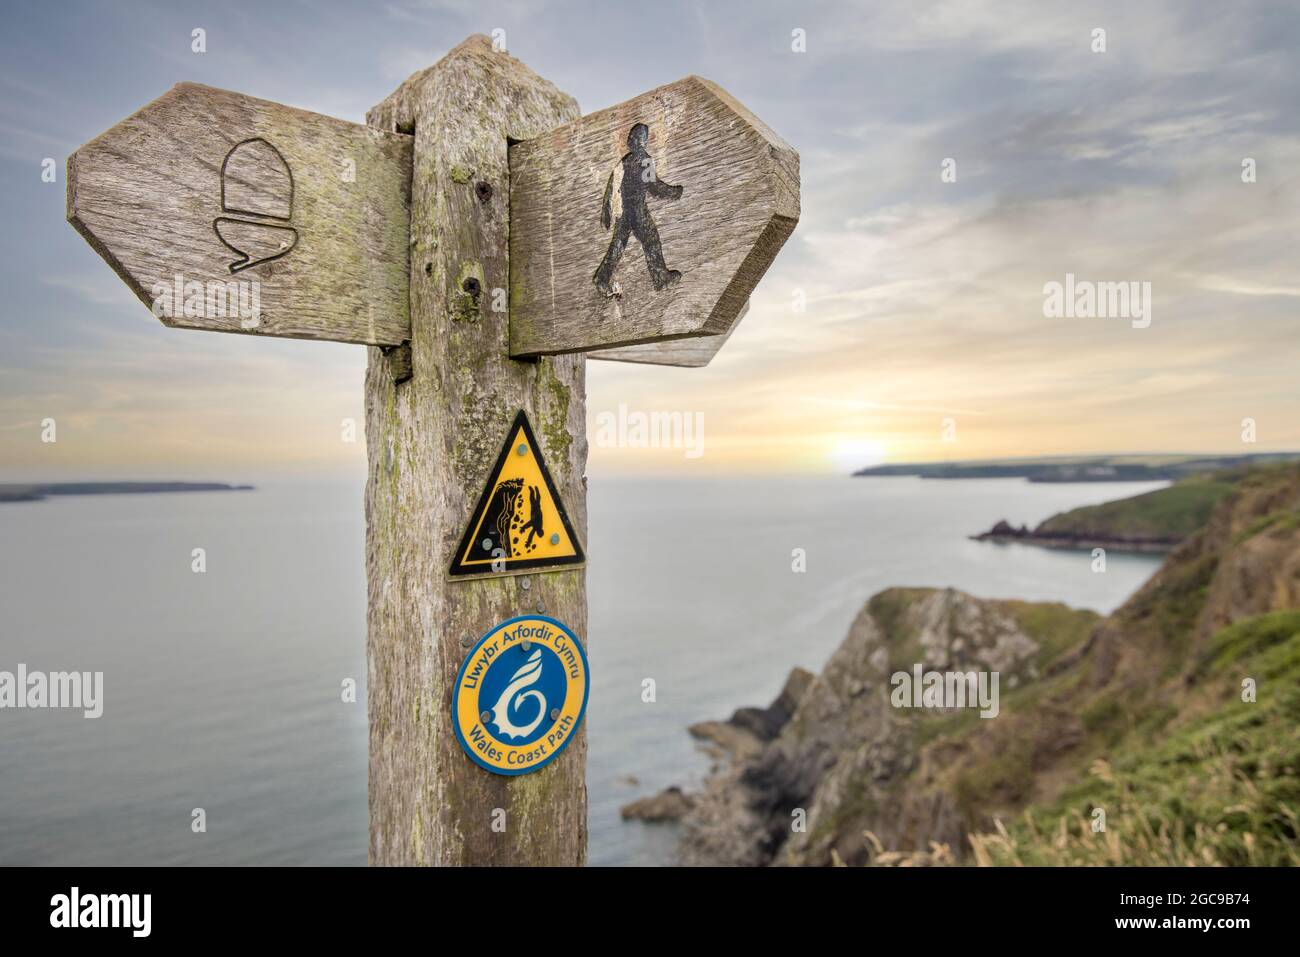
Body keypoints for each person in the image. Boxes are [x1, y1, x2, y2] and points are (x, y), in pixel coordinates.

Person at [593, 123, 683, 296]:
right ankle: (660, 278)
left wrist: (607, 211)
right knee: (652, 241)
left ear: (631, 140)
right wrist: (675, 192)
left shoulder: (625, 161)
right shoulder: (645, 160)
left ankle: (601, 279)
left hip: (623, 213)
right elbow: (655, 188)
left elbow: (612, 185)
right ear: (643, 141)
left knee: (618, 245)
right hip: (637, 211)